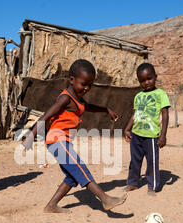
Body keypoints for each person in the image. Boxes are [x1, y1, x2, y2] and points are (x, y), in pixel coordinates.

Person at [23, 59, 127, 213]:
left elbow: (88, 106)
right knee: (79, 166)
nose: (86, 88)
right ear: (72, 80)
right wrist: (31, 135)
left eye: (89, 85)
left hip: (63, 142)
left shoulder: (77, 99)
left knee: (72, 176)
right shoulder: (65, 98)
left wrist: (106, 109)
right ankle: (105, 199)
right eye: (83, 84)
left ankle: (51, 206)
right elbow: (45, 116)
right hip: (56, 141)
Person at [123, 63, 170, 195]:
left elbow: (165, 114)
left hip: (151, 136)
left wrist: (163, 135)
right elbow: (135, 114)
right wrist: (127, 129)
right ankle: (132, 183)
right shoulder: (138, 96)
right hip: (136, 134)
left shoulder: (161, 94)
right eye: (142, 80)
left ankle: (152, 186)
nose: (146, 82)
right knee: (135, 160)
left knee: (152, 162)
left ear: (155, 77)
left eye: (149, 78)